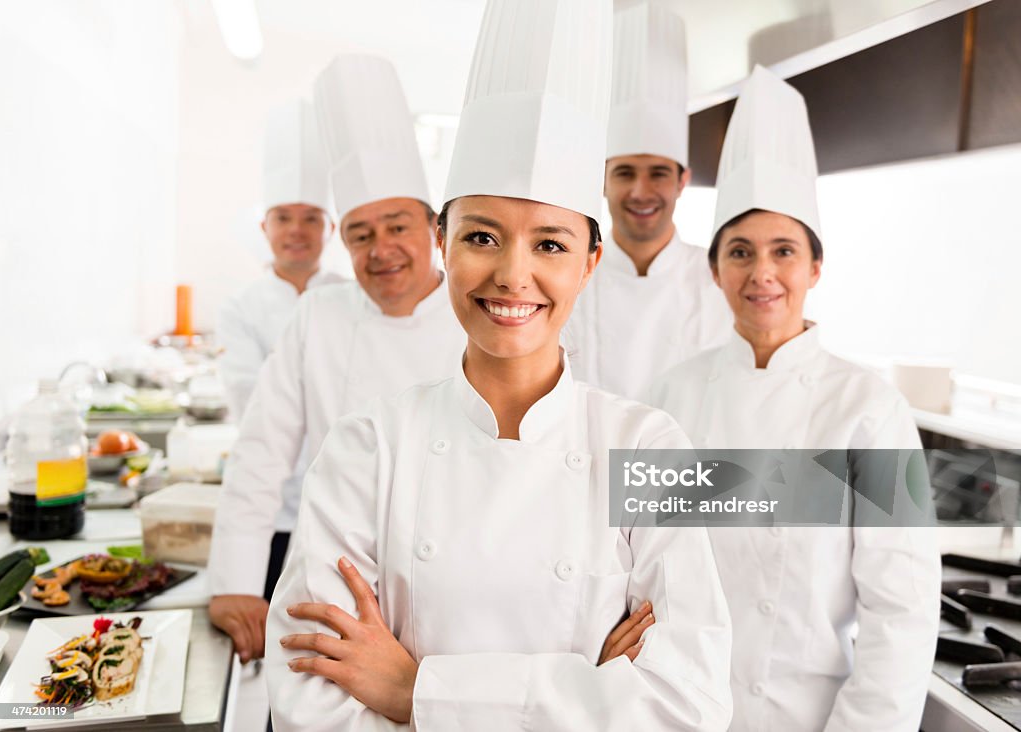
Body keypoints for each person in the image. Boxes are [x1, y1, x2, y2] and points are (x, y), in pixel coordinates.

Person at [264, 2, 732, 729]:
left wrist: (413, 691)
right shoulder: (366, 447)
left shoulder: (648, 448)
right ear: (444, 243)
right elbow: (305, 689)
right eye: (483, 236)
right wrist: (590, 690)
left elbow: (689, 703)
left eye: (549, 244)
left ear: (590, 262)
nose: (514, 276)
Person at [650, 65, 941, 731]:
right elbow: (633, 572)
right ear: (714, 267)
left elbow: (902, 607)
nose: (762, 273)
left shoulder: (871, 409)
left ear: (815, 267)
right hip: (676, 711)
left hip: (814, 719)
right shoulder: (668, 396)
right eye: (741, 251)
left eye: (783, 251)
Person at [207, 54, 465, 664]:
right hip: (332, 577)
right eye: (360, 233)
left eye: (397, 227)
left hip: (458, 580)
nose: (382, 250)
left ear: (433, 231)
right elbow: (261, 450)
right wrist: (236, 583)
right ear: (342, 241)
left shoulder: (477, 312)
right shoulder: (318, 318)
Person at [565, 0, 730, 401]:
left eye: (658, 172)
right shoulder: (566, 276)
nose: (641, 192)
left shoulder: (720, 283)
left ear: (682, 181)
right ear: (601, 180)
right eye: (625, 173)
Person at [217, 99, 344, 422]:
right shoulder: (240, 309)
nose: (296, 231)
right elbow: (246, 395)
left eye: (311, 218)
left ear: (330, 228)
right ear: (264, 227)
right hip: (269, 465)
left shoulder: (354, 298)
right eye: (283, 218)